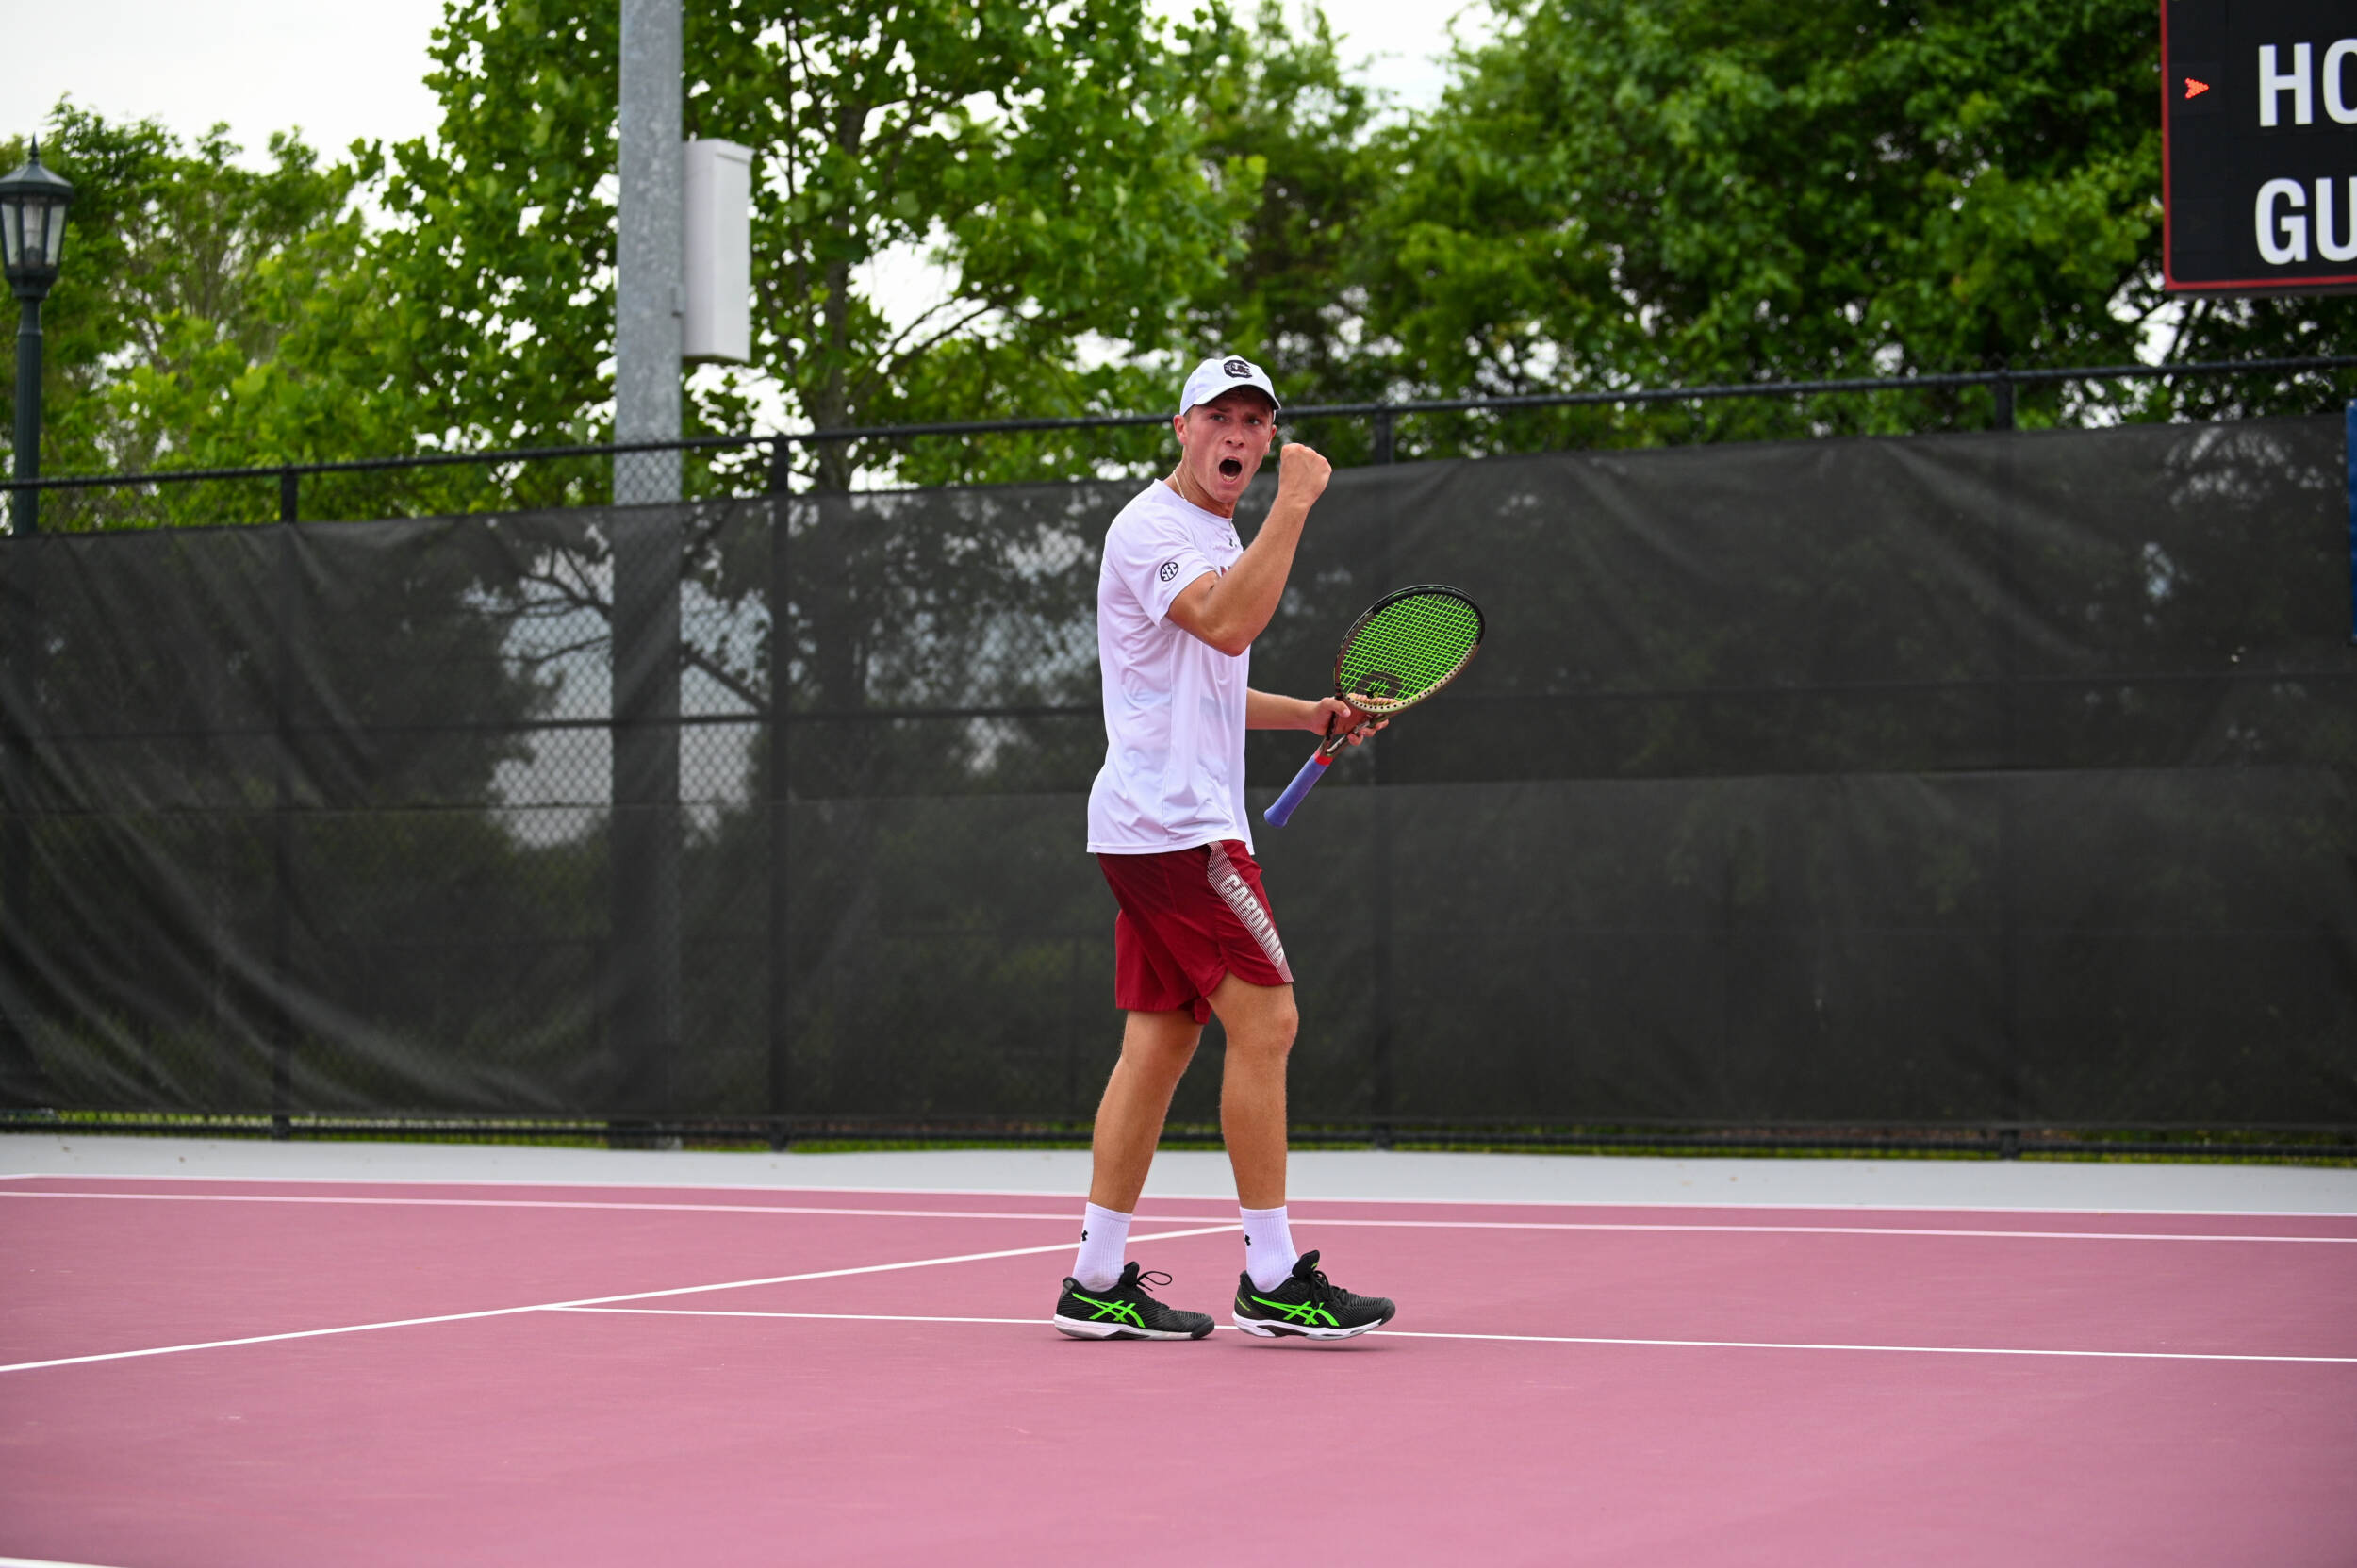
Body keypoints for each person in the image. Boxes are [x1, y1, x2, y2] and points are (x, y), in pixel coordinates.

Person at [1051, 354, 1397, 1343]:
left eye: (1254, 420)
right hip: (1175, 829)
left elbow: (1206, 683)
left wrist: (1312, 714)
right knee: (1270, 1021)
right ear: (1182, 427)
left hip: (1153, 825)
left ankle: (1094, 1278)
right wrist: (1295, 500)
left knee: (1160, 1043)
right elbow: (1229, 622)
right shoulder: (1151, 527)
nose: (1237, 435)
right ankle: (1274, 1277)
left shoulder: (1215, 533)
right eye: (1219, 417)